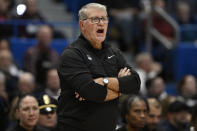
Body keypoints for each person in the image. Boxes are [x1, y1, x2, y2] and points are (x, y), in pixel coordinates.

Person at [57, 3, 141, 131]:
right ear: (82, 25)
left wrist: (104, 81)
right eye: (95, 19)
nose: (101, 23)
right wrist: (121, 87)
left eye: (104, 19)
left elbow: (135, 83)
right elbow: (92, 91)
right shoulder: (72, 55)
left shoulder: (114, 53)